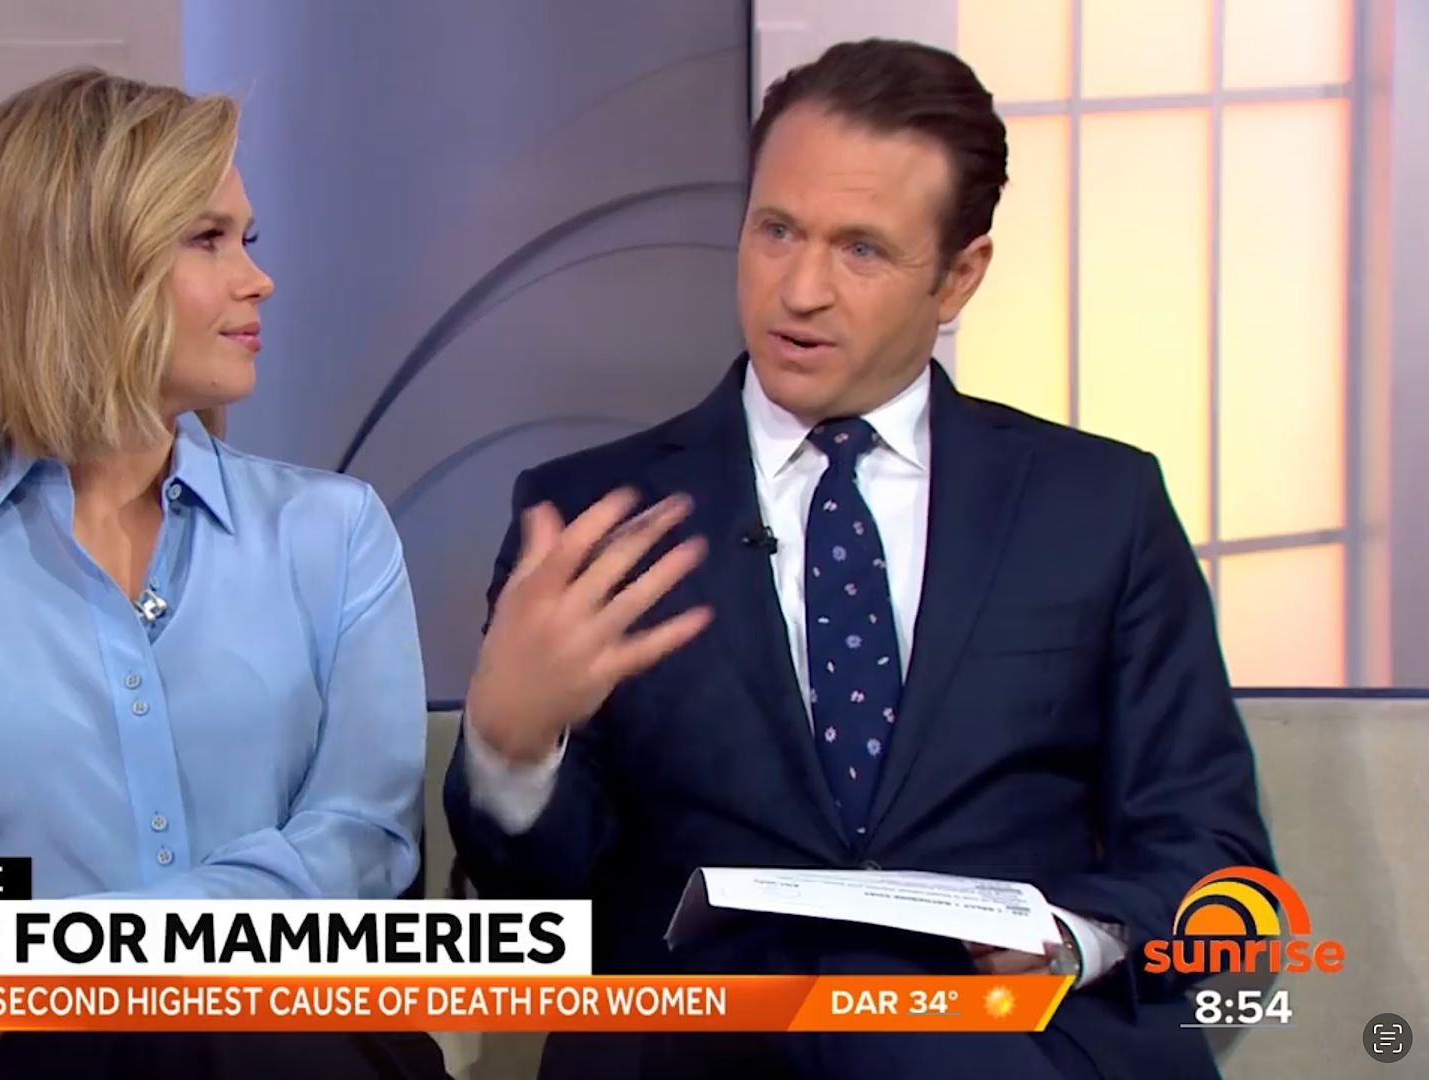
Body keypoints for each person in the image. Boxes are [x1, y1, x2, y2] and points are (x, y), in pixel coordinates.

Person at [444, 38, 1273, 1079]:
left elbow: (1213, 857)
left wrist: (1070, 938)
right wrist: (514, 748)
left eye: (863, 251)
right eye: (776, 231)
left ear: (959, 277)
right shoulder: (590, 518)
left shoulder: (1098, 505)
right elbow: (536, 914)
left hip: (1010, 1048)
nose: (800, 290)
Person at [0, 69, 441, 1080]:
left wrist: (90, 960)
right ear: (80, 267)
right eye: (207, 240)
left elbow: (364, 846)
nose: (258, 280)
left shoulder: (333, 537)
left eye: (247, 238)